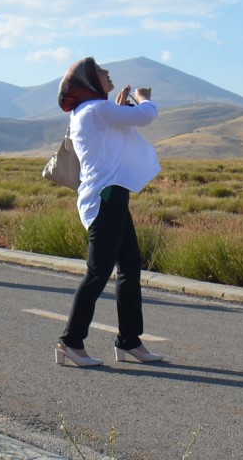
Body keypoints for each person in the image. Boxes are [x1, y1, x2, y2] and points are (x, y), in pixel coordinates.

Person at [54, 57, 166, 368]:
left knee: (129, 267)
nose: (108, 74)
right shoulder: (96, 110)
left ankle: (129, 340)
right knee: (98, 272)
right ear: (90, 81)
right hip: (106, 200)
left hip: (112, 197)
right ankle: (70, 341)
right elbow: (146, 117)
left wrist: (123, 108)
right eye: (102, 72)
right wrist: (143, 100)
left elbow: (117, 135)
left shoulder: (90, 112)